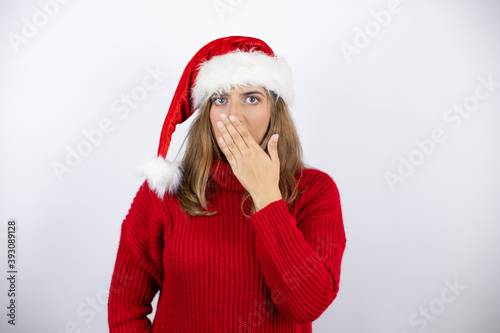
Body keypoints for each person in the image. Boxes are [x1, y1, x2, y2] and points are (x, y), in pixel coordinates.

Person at [108, 36, 347, 333]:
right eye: (220, 99)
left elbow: (306, 305)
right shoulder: (166, 190)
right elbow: (125, 307)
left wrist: (266, 197)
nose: (233, 116)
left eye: (251, 98)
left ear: (274, 110)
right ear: (207, 113)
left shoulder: (316, 191)